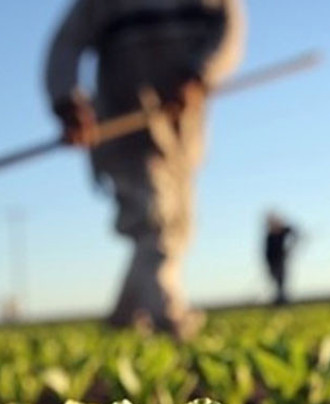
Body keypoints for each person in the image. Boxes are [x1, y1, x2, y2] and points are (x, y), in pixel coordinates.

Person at [45, 0, 246, 339]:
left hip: (181, 130)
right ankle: (169, 314)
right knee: (154, 218)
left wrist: (200, 75)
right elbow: (65, 46)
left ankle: (123, 318)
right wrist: (67, 102)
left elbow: (228, 33)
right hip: (124, 125)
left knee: (179, 224)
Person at [263, 211, 300, 305]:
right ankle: (279, 299)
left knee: (282, 280)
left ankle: (282, 299)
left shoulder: (283, 231)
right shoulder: (270, 236)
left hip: (281, 260)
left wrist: (290, 247)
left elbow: (294, 232)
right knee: (277, 281)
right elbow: (268, 253)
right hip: (272, 262)